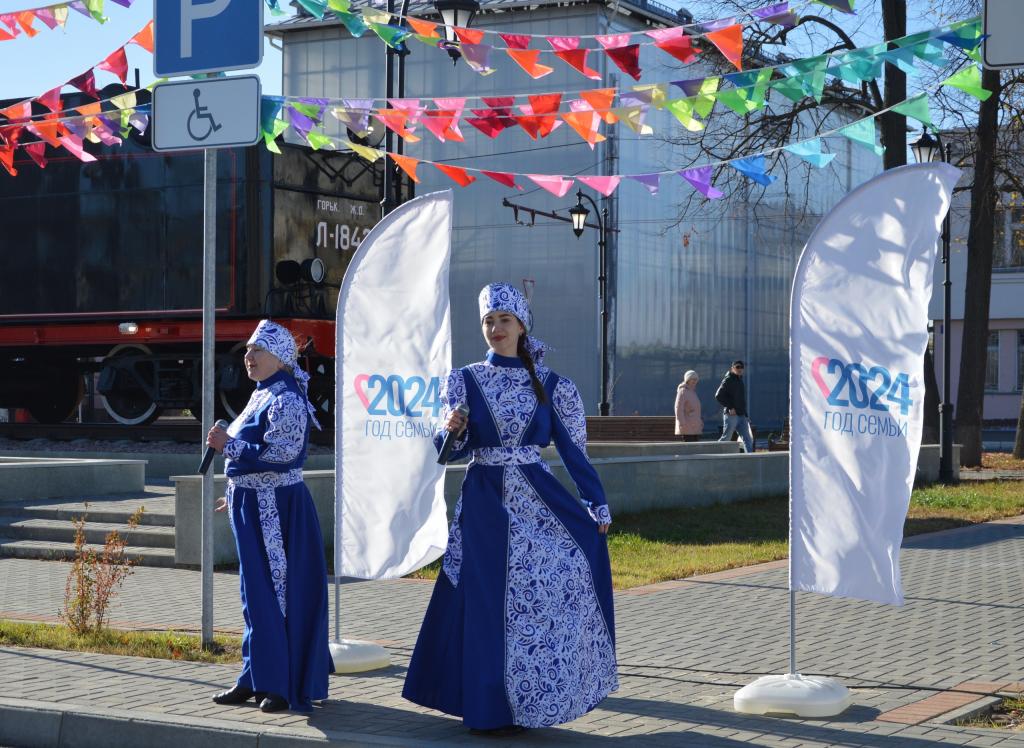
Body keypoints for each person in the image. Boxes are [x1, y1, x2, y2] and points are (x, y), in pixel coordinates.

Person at [403, 283, 618, 735]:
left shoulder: (553, 385)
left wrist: (595, 503)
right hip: (485, 502)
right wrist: (452, 429)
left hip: (538, 499)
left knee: (543, 593)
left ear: (522, 326)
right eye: (488, 320)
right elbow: (448, 452)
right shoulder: (463, 379)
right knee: (487, 602)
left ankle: (533, 699)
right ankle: (488, 708)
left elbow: (574, 452)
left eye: (504, 320)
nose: (495, 328)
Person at [205, 320, 333, 713]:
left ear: (279, 358)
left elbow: (283, 456)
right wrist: (236, 491)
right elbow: (260, 456)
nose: (248, 356)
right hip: (255, 503)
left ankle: (279, 683)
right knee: (254, 595)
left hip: (274, 508)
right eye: (247, 350)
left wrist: (228, 446)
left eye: (257, 350)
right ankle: (255, 676)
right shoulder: (263, 393)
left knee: (274, 593)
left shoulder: (287, 398)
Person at [716, 360, 754, 453]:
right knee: (726, 438)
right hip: (731, 416)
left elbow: (741, 400)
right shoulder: (728, 380)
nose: (740, 369)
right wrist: (730, 407)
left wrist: (746, 415)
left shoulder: (740, 380)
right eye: (737, 367)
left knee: (748, 439)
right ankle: (714, 454)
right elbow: (718, 395)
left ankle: (750, 458)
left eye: (742, 367)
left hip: (742, 416)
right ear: (732, 368)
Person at [674, 370, 703, 442]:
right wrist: (682, 423)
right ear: (687, 379)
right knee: (689, 447)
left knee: (695, 447)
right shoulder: (682, 391)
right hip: (687, 427)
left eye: (696, 379)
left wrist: (700, 422)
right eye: (693, 379)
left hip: (695, 427)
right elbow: (678, 408)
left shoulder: (693, 392)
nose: (695, 381)